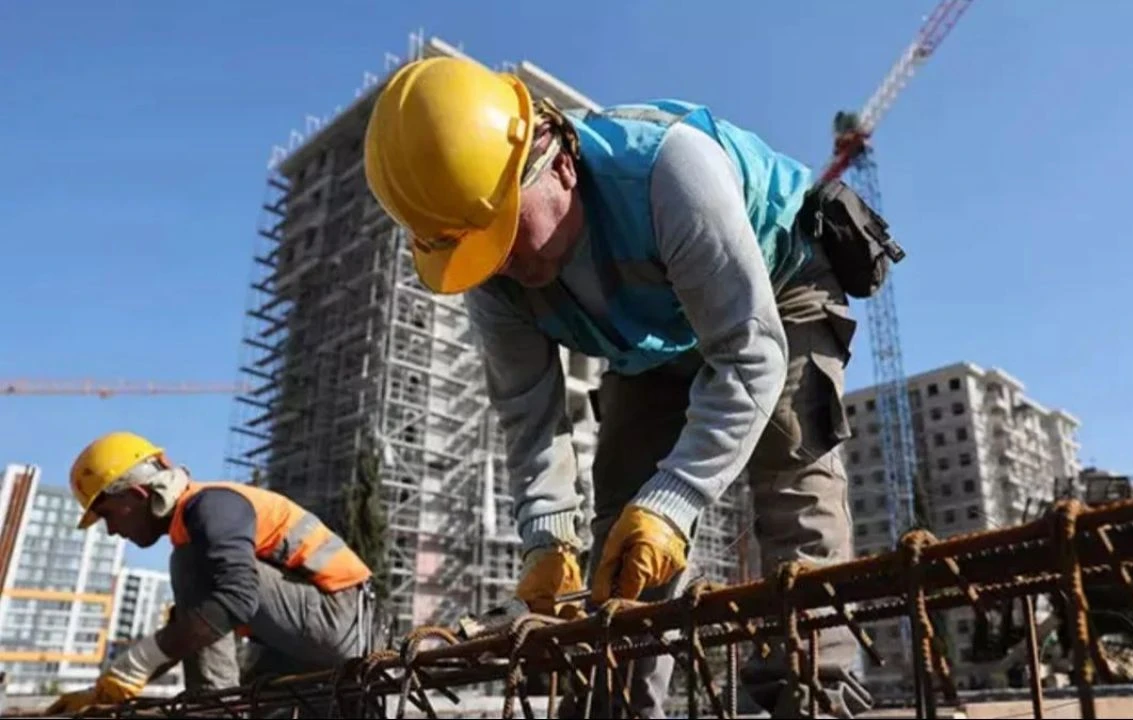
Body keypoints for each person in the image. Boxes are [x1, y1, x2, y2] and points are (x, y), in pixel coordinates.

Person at [364, 56, 898, 718]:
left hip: (776, 290)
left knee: (793, 481)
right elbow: (529, 417)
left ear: (558, 163)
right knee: (622, 533)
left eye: (507, 235)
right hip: (654, 341)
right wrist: (546, 538)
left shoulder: (668, 172)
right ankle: (616, 706)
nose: (506, 263)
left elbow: (750, 355)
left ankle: (811, 695)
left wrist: (675, 501)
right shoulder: (493, 274)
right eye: (480, 252)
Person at [47, 431, 374, 716]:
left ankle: (212, 709)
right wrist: (106, 690)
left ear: (136, 495)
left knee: (192, 566)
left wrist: (138, 662)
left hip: (343, 622)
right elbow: (192, 630)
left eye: (107, 514)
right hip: (306, 639)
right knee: (258, 694)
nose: (111, 531)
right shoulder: (195, 526)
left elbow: (237, 597)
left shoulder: (210, 507)